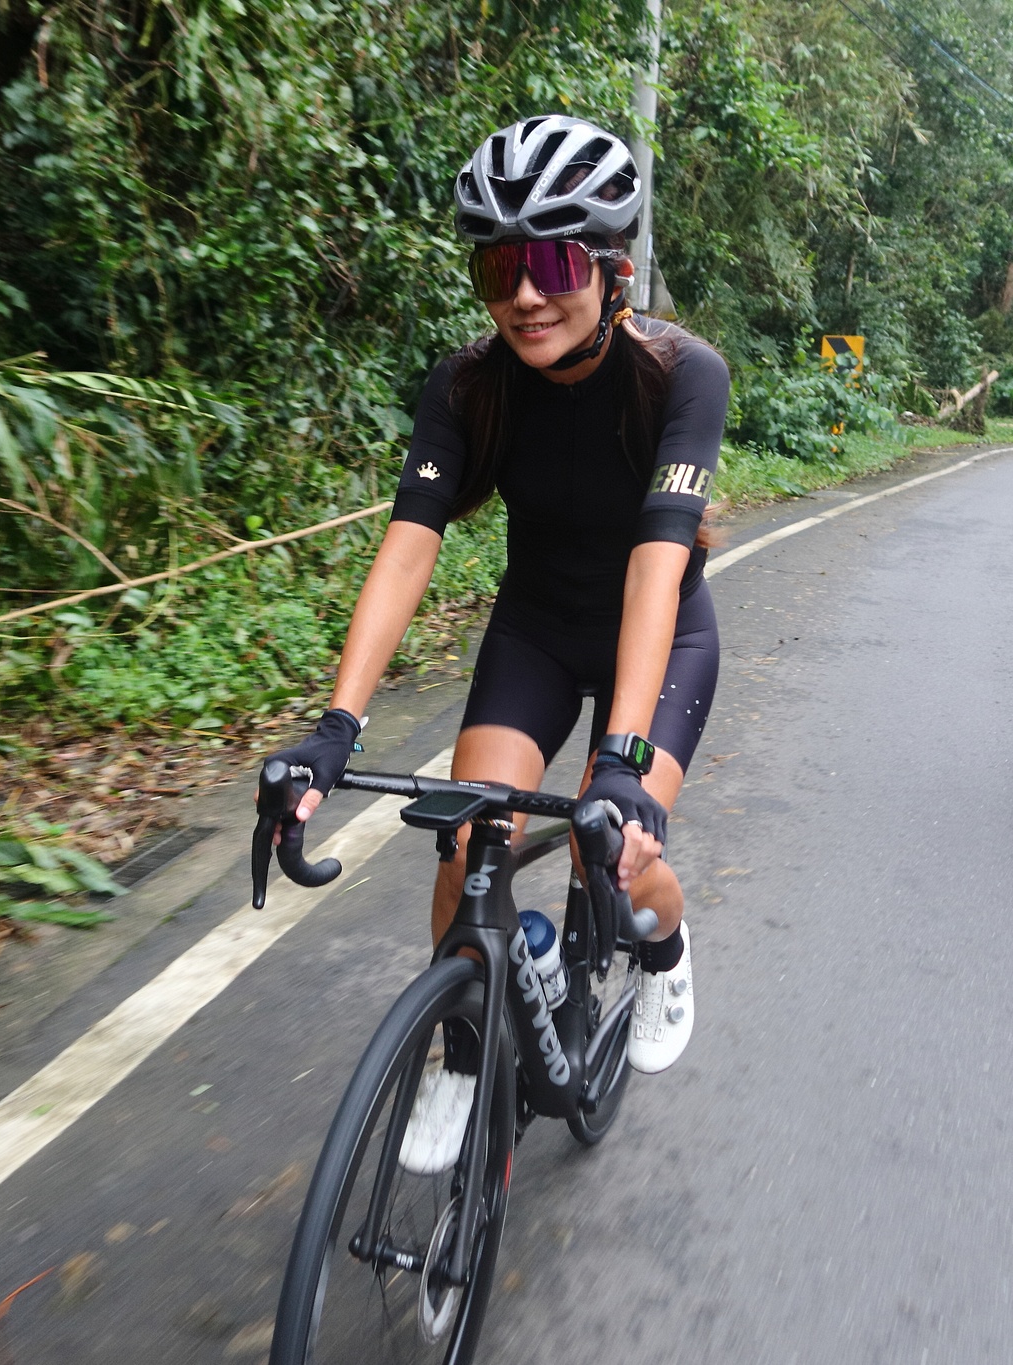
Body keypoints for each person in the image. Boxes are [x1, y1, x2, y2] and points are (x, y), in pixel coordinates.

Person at [265, 115, 728, 1169]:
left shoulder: (681, 374)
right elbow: (406, 552)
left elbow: (656, 566)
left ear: (609, 269)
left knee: (621, 858)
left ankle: (664, 949)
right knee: (466, 847)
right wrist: (336, 727)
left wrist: (620, 762)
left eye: (553, 263)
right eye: (496, 268)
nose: (523, 295)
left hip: (658, 640)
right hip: (534, 635)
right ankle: (465, 1053)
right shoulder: (468, 383)